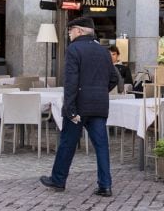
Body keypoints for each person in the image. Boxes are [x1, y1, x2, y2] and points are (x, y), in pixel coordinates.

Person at [41, 17, 120, 197]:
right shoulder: (103, 51)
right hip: (99, 105)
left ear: (79, 31)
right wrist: (100, 91)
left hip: (78, 106)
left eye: (70, 30)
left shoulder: (74, 49)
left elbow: (70, 82)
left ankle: (58, 180)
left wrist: (69, 108)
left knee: (67, 144)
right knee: (101, 146)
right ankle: (105, 185)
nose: (69, 34)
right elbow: (114, 79)